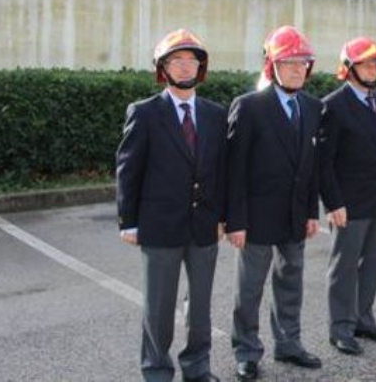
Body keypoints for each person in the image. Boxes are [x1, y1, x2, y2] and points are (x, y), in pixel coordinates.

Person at [116, 28, 227, 382]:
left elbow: (222, 171)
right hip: (159, 225)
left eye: (190, 60)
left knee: (200, 307)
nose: (183, 67)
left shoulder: (214, 114)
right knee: (159, 307)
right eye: (175, 61)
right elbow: (128, 169)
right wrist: (128, 222)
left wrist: (223, 216)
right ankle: (157, 370)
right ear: (162, 69)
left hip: (204, 226)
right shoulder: (145, 112)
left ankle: (198, 367)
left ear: (201, 67)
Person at [226, 26, 323, 379]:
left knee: (291, 281)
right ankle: (247, 351)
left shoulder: (313, 107)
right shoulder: (250, 107)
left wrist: (312, 212)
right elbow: (234, 170)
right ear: (272, 66)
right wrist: (234, 220)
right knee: (249, 288)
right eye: (290, 62)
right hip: (255, 217)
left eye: (303, 63)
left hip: (294, 215)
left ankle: (289, 343)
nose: (298, 69)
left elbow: (311, 166)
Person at [319, 37, 376, 356]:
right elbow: (324, 161)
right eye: (365, 64)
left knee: (372, 263)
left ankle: (364, 319)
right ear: (349, 68)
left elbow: (374, 143)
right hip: (349, 201)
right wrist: (333, 203)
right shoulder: (333, 105)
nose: (373, 70)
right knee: (344, 266)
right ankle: (341, 327)